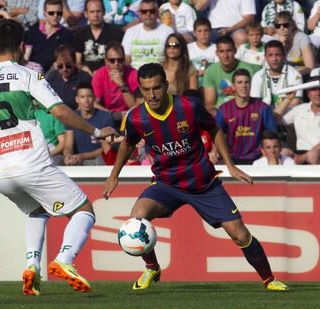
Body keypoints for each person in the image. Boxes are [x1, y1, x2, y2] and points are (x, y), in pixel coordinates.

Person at [0, 19, 118, 296]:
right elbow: (60, 111)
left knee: (36, 211)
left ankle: (31, 266)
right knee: (84, 210)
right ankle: (64, 259)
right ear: (21, 47)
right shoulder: (26, 75)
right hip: (31, 163)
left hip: (0, 174)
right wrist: (97, 131)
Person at [103, 62, 289, 292]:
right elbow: (127, 144)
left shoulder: (189, 106)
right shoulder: (136, 118)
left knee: (240, 235)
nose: (152, 95)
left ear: (166, 85)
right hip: (166, 183)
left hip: (204, 184)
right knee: (136, 219)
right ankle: (152, 267)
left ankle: (270, 280)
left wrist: (230, 165)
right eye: (146, 90)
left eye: (157, 88)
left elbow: (214, 129)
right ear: (140, 90)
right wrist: (114, 176)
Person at [215, 69, 277, 164]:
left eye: (246, 82)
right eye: (239, 82)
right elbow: (214, 134)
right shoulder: (224, 109)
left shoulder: (262, 108)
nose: (243, 86)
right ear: (233, 86)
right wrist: (214, 151)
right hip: (232, 160)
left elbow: (273, 135)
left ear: (251, 84)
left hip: (258, 160)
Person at [203, 36, 260, 114]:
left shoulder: (248, 70)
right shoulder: (210, 71)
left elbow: (252, 100)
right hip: (220, 113)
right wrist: (219, 118)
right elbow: (210, 104)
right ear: (217, 53)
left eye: (229, 51)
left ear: (235, 51)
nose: (226, 55)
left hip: (244, 112)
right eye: (222, 51)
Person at [64, 82, 115, 165]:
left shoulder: (106, 117)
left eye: (89, 96)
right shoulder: (72, 118)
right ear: (77, 99)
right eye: (82, 97)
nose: (86, 100)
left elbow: (108, 148)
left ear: (94, 98)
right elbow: (68, 146)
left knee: (100, 161)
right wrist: (68, 156)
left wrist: (83, 156)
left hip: (99, 159)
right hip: (78, 159)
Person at [91, 41, 138, 123]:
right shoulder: (99, 74)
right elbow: (94, 103)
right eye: (112, 60)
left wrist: (122, 84)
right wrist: (112, 114)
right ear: (106, 61)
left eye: (120, 60)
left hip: (129, 116)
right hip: (107, 115)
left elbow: (135, 106)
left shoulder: (133, 74)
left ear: (124, 60)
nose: (116, 64)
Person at [250, 40, 302, 112]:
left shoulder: (295, 75)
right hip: (264, 116)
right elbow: (255, 103)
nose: (274, 59)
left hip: (287, 116)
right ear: (265, 57)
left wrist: (275, 116)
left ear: (284, 56)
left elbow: (296, 102)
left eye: (277, 55)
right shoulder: (257, 76)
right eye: (270, 55)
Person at [278, 76, 320, 165]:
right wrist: (288, 99)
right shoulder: (299, 109)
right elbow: (276, 120)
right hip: (300, 152)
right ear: (308, 93)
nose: (318, 93)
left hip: (316, 153)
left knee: (313, 155)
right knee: (282, 153)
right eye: (313, 89)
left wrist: (305, 156)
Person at [24, 0, 74, 73]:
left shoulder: (67, 35)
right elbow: (26, 58)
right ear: (44, 13)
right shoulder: (32, 33)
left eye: (59, 13)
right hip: (33, 75)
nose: (55, 15)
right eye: (51, 13)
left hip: (56, 76)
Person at [74, 0, 124, 73]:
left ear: (104, 12)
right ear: (85, 14)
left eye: (98, 11)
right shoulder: (80, 34)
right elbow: (77, 62)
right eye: (92, 12)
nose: (96, 15)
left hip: (109, 76)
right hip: (86, 77)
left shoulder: (116, 33)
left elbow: (120, 61)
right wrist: (86, 70)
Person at [121, 0, 174, 69]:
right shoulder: (130, 32)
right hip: (135, 76)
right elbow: (126, 59)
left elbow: (172, 60)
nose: (148, 14)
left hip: (160, 75)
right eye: (144, 12)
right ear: (139, 13)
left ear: (157, 12)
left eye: (152, 11)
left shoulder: (168, 31)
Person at [46, 44, 92, 110]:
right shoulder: (52, 77)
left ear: (74, 62)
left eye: (68, 65)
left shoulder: (84, 78)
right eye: (60, 66)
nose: (64, 69)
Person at [273, 11, 315, 76]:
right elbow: (272, 67)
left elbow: (310, 68)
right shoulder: (274, 40)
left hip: (303, 75)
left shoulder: (302, 38)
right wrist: (280, 45)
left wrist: (292, 76)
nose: (282, 29)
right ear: (275, 29)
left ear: (292, 25)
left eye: (285, 25)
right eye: (278, 26)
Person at [187, 17, 217, 88]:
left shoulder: (216, 48)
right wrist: (197, 73)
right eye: (199, 31)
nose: (203, 34)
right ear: (194, 33)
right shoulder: (188, 48)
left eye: (206, 30)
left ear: (210, 31)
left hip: (211, 84)